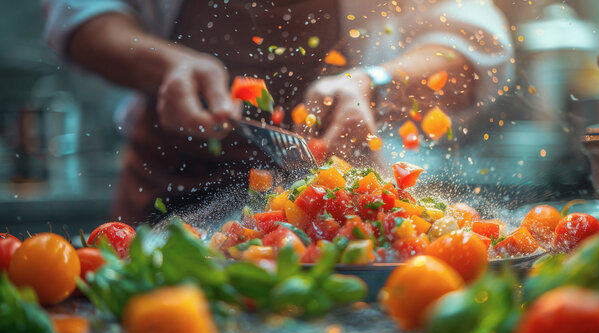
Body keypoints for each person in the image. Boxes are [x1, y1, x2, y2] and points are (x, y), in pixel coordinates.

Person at [42, 0, 513, 224]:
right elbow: (81, 14)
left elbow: (474, 40)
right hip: (165, 205)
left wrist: (376, 84)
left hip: (339, 220)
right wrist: (169, 66)